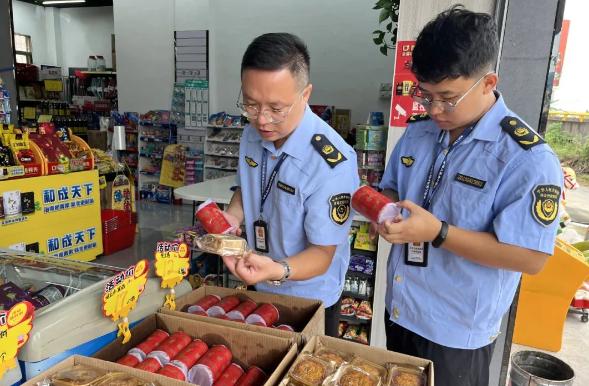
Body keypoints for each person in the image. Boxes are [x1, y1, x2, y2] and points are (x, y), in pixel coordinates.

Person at [376, 6, 562, 386]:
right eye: (425, 96)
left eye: (448, 98)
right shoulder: (419, 133)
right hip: (400, 311)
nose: (435, 109)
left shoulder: (526, 158)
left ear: (488, 82)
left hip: (456, 333)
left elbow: (531, 257)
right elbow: (393, 187)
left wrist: (438, 233)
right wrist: (387, 213)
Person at [220, 33, 359, 336]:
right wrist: (231, 218)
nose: (262, 119)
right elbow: (247, 188)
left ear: (305, 94)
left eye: (276, 108)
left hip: (308, 302)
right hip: (259, 284)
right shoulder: (251, 135)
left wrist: (277, 270)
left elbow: (323, 255)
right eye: (251, 105)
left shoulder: (332, 163)